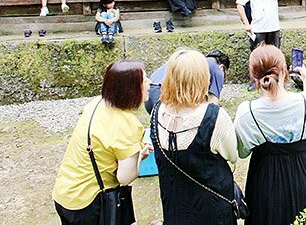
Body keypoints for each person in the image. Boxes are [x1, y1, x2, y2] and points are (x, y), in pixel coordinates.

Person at [52, 60, 152, 224]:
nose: (149, 83)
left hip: (64, 191)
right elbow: (125, 177)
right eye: (144, 80)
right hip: (88, 202)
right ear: (131, 89)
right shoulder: (127, 125)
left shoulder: (96, 103)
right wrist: (140, 156)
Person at [234, 44, 306, 224]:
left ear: (254, 76)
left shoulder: (247, 112)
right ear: (284, 70)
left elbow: (241, 152)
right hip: (303, 175)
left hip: (265, 180)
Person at [150, 49, 238, 224]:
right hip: (211, 208)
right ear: (203, 77)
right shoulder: (214, 117)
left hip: (174, 205)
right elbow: (232, 155)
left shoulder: (156, 112)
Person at [145, 48, 230, 114]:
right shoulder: (216, 68)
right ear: (222, 67)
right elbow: (213, 103)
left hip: (149, 95)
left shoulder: (189, 62)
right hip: (162, 94)